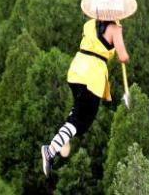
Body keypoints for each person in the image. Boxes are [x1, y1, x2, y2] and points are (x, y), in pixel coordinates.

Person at [41, 16, 129, 176]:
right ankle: (51, 149)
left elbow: (95, 43)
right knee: (82, 120)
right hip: (92, 77)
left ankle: (63, 137)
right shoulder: (115, 29)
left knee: (78, 114)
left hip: (76, 71)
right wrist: (119, 38)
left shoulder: (90, 24)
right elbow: (123, 57)